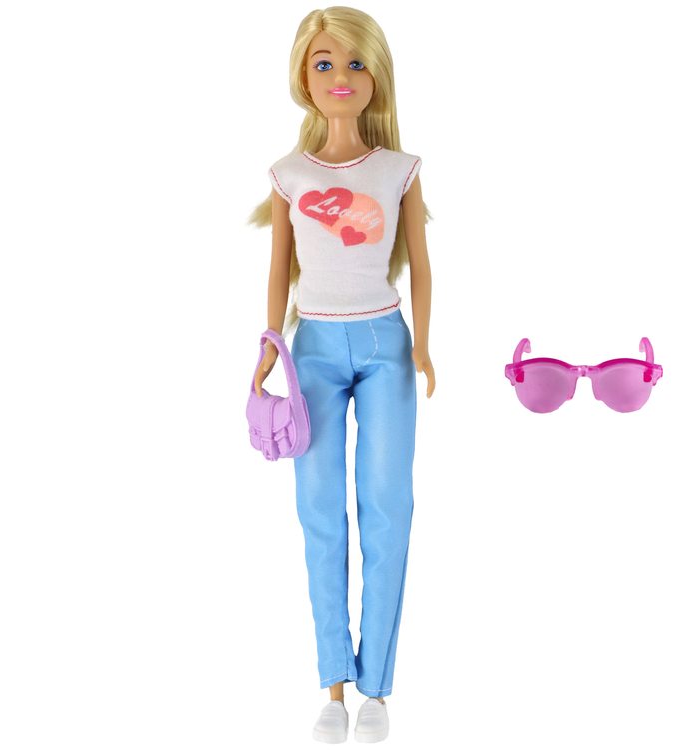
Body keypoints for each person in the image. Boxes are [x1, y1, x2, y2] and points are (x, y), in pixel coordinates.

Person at [250, 6, 435, 743]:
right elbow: (279, 272)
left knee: (389, 505)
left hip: (387, 342)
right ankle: (333, 681)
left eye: (356, 63)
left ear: (376, 75)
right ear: (304, 75)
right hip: (314, 349)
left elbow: (422, 266)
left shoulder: (400, 169)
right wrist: (269, 346)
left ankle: (377, 688)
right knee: (320, 510)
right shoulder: (288, 175)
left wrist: (424, 345)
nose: (340, 77)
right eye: (325, 63)